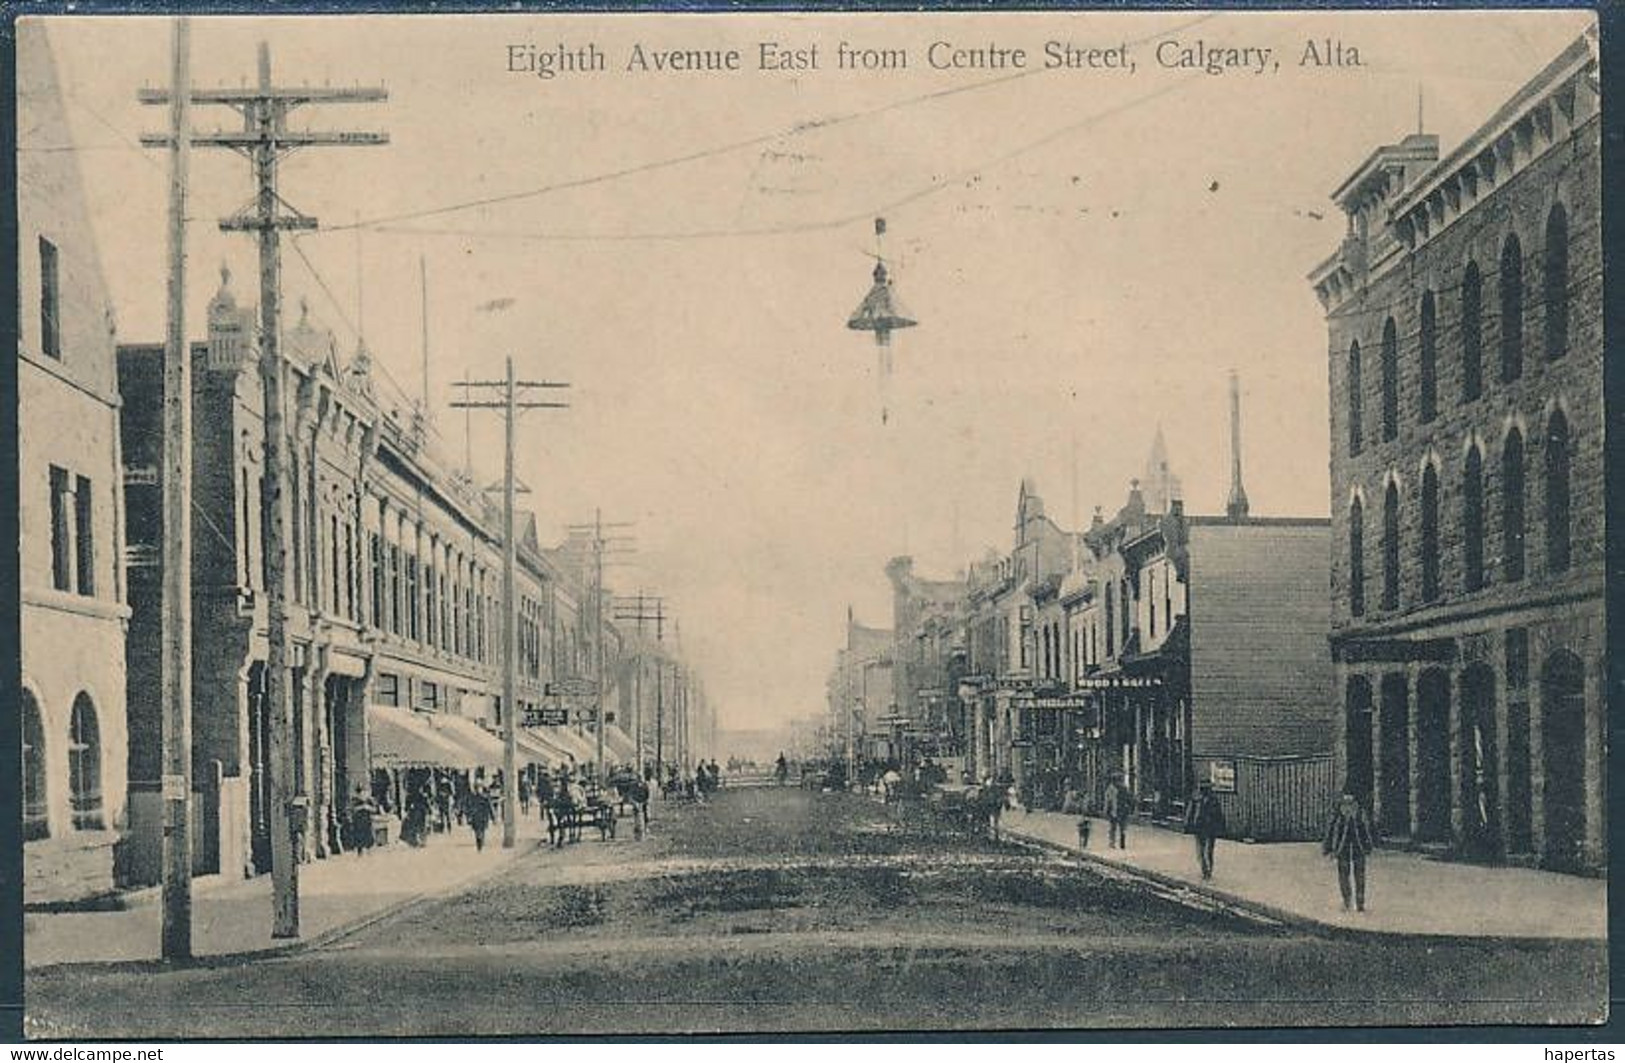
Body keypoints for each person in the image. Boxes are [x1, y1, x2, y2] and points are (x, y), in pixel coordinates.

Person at [1323, 791, 1376, 912]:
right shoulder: (1339, 814)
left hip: (1358, 847)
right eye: (1345, 802)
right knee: (1345, 874)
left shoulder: (1360, 813)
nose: (1348, 805)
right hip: (1343, 848)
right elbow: (1331, 830)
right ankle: (1348, 901)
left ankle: (1359, 902)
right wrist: (1329, 847)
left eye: (1350, 802)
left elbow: (1368, 829)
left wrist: (1369, 845)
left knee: (1358, 875)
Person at [1185, 781, 1226, 881]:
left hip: (1209, 828)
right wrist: (1188, 825)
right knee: (1202, 851)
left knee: (1207, 851)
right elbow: (1190, 813)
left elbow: (1219, 815)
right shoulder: (1197, 800)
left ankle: (1208, 871)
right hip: (1200, 828)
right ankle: (1205, 870)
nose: (1206, 791)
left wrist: (1220, 828)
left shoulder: (1212, 800)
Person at [348, 784, 377, 856]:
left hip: (367, 821)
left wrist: (367, 807)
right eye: (359, 791)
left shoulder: (369, 800)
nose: (361, 793)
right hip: (358, 822)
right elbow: (352, 809)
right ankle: (359, 852)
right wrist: (361, 807)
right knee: (359, 837)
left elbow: (375, 809)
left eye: (363, 791)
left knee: (368, 836)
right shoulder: (354, 800)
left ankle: (369, 852)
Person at [466, 784, 495, 852]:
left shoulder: (485, 798)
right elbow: (469, 808)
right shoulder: (473, 798)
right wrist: (469, 816)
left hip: (483, 817)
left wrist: (493, 817)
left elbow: (490, 808)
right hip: (475, 817)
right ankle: (479, 844)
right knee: (477, 832)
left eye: (479, 788)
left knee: (482, 831)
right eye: (477, 789)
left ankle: (481, 843)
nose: (478, 790)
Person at [1103, 778, 1129, 849]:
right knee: (1122, 827)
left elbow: (1108, 800)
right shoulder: (1124, 788)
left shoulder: (1111, 788)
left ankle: (1112, 842)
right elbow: (1128, 799)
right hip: (1123, 810)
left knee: (1113, 827)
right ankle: (1122, 842)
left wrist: (1105, 810)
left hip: (1114, 810)